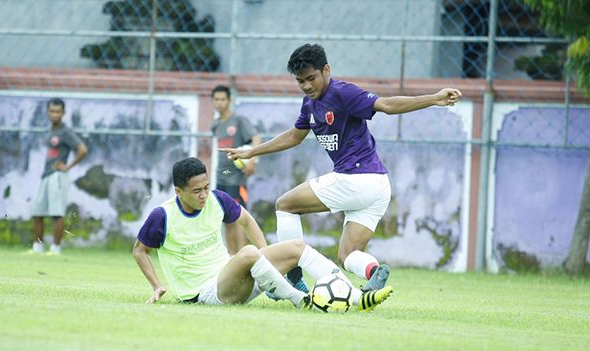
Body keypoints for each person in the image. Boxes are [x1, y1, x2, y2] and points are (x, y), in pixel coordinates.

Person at [222, 44, 462, 291]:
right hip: (377, 187)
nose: (306, 86)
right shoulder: (310, 104)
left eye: (311, 78)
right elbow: (294, 136)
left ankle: (293, 276)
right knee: (348, 255)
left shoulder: (342, 93)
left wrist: (434, 98)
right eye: (300, 81)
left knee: (285, 205)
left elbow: (387, 105)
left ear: (326, 70)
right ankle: (374, 271)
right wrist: (251, 151)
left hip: (357, 177)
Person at [132, 156, 393, 311]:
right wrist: (157, 285)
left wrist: (263, 259)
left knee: (295, 247)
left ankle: (359, 298)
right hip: (205, 294)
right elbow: (139, 250)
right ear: (179, 191)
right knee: (247, 252)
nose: (203, 195)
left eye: (206, 187)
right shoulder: (162, 216)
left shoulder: (217, 199)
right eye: (196, 191)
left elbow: (247, 220)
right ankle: (300, 299)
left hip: (236, 276)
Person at [29, 98, 88, 256]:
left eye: (58, 111)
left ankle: (55, 248)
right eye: (52, 111)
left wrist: (68, 166)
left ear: (63, 113)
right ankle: (37, 247)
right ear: (48, 112)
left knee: (57, 213)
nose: (54, 114)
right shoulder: (50, 131)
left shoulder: (65, 132)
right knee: (37, 212)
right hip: (46, 175)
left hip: (58, 176)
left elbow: (82, 149)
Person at [211, 85, 261, 255]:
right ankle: (232, 259)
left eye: (222, 99)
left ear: (229, 101)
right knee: (227, 220)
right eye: (216, 99)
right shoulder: (216, 125)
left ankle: (243, 257)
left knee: (239, 219)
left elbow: (256, 138)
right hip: (220, 178)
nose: (219, 103)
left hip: (236, 179)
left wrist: (253, 160)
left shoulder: (239, 121)